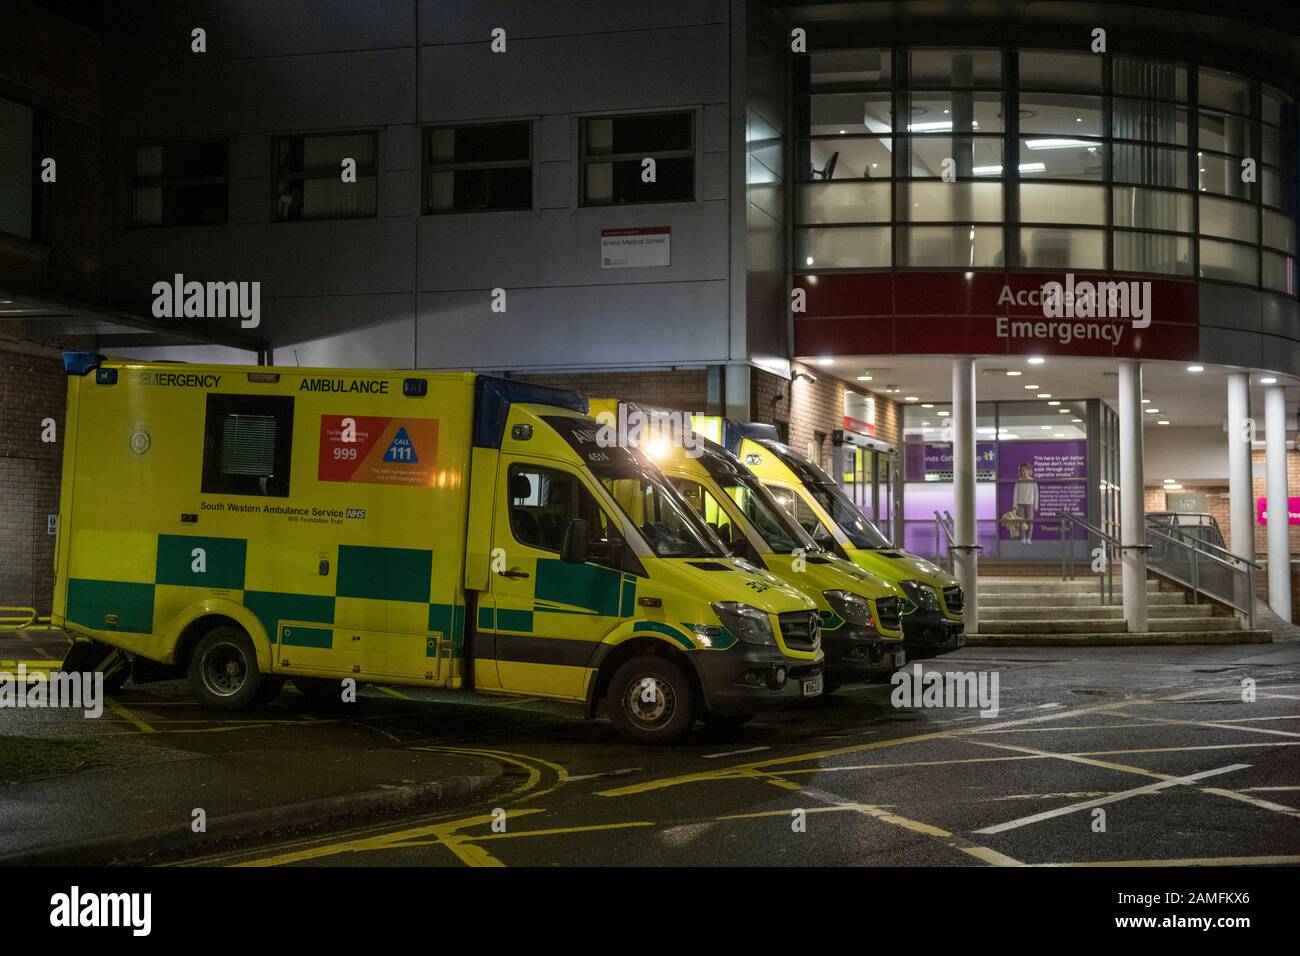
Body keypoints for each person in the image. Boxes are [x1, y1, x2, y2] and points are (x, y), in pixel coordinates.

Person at [1013, 462, 1038, 544]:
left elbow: (1036, 494)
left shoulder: (1033, 481)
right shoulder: (1018, 481)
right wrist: (1014, 506)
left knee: (1030, 521)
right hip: (1020, 504)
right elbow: (1015, 493)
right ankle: (1023, 537)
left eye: (1026, 470)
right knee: (1021, 521)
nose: (1024, 472)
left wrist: (1036, 504)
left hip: (1030, 504)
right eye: (1022, 470)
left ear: (1029, 471)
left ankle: (1029, 538)